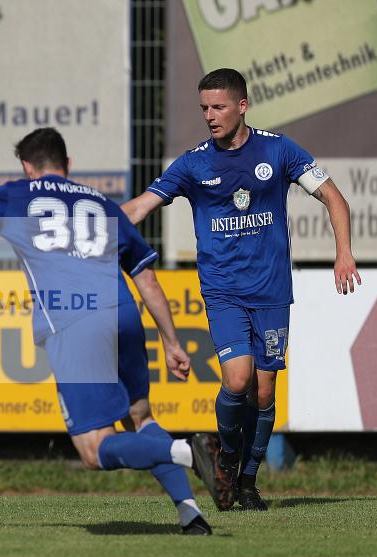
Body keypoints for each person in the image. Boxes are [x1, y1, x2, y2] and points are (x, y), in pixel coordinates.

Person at [0, 127, 231, 533]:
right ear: (68, 165)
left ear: (27, 166)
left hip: (74, 324)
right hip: (124, 316)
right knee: (141, 417)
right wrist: (171, 341)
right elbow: (148, 280)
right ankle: (190, 513)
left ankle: (189, 452)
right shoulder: (104, 204)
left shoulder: (19, 195)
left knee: (93, 450)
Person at [121, 68, 361, 510]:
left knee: (265, 392)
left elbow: (333, 197)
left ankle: (247, 481)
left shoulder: (278, 149)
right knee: (237, 378)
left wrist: (343, 251)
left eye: (218, 107)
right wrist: (99, 227)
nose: (209, 117)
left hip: (272, 290)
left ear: (242, 106)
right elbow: (140, 206)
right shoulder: (194, 163)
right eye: (204, 109)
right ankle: (226, 459)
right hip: (223, 290)